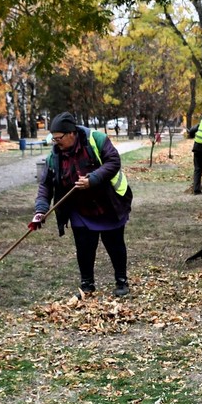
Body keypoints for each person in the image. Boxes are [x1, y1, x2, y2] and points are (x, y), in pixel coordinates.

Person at [30, 112, 133, 297]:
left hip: (108, 203)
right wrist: (40, 210)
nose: (56, 143)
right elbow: (46, 184)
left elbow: (113, 161)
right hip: (81, 209)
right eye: (53, 139)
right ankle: (87, 285)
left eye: (58, 138)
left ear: (72, 133)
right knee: (84, 246)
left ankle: (121, 281)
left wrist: (92, 179)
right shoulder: (54, 156)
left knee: (114, 243)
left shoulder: (96, 140)